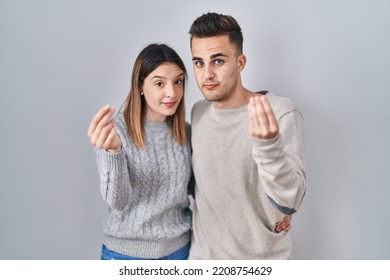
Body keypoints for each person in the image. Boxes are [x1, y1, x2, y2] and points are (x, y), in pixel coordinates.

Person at [188, 12, 307, 259]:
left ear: (240, 63)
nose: (207, 73)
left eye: (218, 61)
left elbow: (291, 199)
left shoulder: (280, 112)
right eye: (199, 62)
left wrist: (269, 148)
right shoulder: (198, 112)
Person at [87, 43, 193, 260]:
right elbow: (117, 201)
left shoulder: (186, 132)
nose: (171, 92)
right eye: (159, 83)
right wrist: (113, 152)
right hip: (126, 255)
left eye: (178, 82)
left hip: (180, 251)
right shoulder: (116, 131)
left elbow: (202, 190)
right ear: (140, 86)